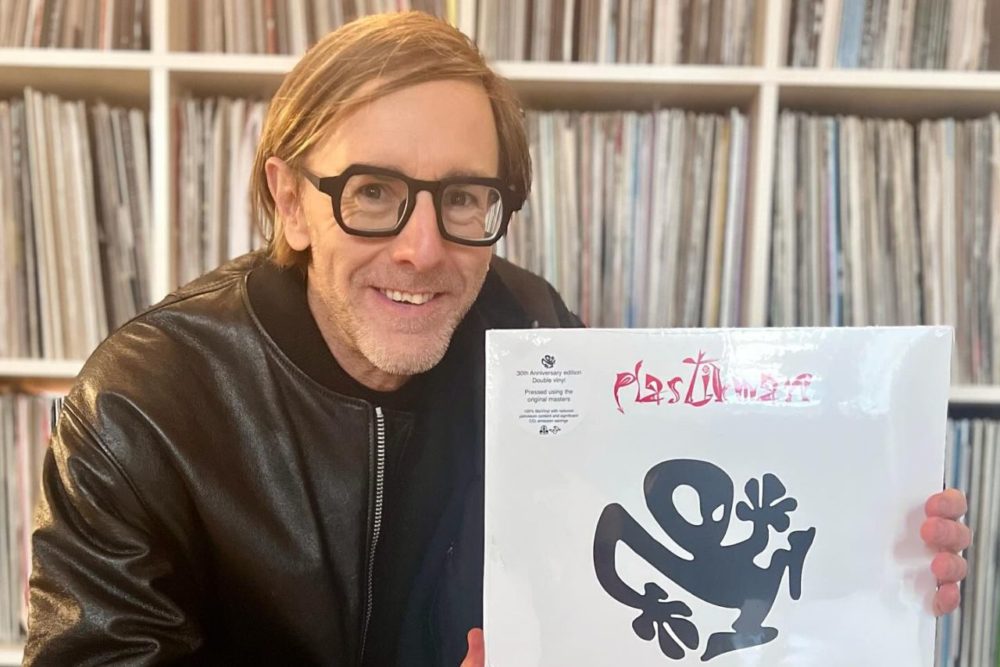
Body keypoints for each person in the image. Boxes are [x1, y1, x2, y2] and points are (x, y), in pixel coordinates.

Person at [25, 11, 971, 667]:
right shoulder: (142, 404)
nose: (423, 248)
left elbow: (665, 573)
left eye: (464, 197)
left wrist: (863, 566)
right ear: (292, 201)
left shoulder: (539, 337)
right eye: (373, 192)